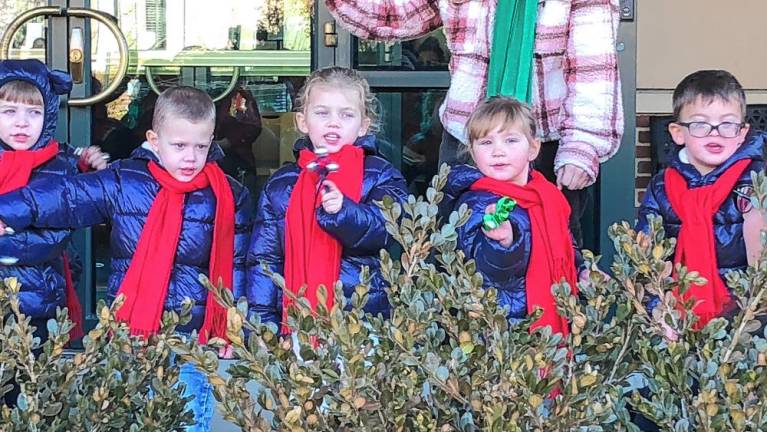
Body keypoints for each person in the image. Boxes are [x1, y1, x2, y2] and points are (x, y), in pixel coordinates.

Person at [0, 86, 254, 431]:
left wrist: (232, 327)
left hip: (192, 338)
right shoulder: (125, 180)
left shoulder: (227, 194)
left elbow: (235, 267)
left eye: (201, 146)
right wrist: (7, 211)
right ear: (154, 138)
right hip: (129, 335)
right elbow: (65, 197)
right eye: (179, 146)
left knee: (190, 421)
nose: (191, 157)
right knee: (126, 417)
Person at [324, 0, 624, 246]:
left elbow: (593, 67)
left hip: (545, 143)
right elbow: (394, 13)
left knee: (551, 251)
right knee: (455, 246)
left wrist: (583, 146)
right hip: (466, 138)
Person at [248, 66, 408, 330]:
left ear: (363, 126)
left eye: (346, 115)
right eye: (322, 113)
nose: (334, 122)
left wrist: (344, 212)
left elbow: (386, 231)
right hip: (298, 319)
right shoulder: (281, 185)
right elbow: (264, 259)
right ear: (302, 121)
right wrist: (264, 325)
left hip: (362, 321)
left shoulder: (381, 175)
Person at [637, 70, 766, 327]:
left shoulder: (756, 180)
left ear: (742, 132)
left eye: (727, 123)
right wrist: (658, 309)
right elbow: (647, 258)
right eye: (700, 124)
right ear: (677, 132)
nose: (714, 133)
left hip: (747, 318)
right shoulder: (662, 187)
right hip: (681, 313)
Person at [443, 96, 582, 333]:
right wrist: (503, 244)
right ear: (473, 153)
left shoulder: (548, 197)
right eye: (486, 143)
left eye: (510, 140)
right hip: (498, 328)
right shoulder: (475, 203)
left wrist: (583, 271)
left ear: (533, 148)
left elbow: (566, 247)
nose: (498, 151)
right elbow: (482, 270)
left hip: (545, 318)